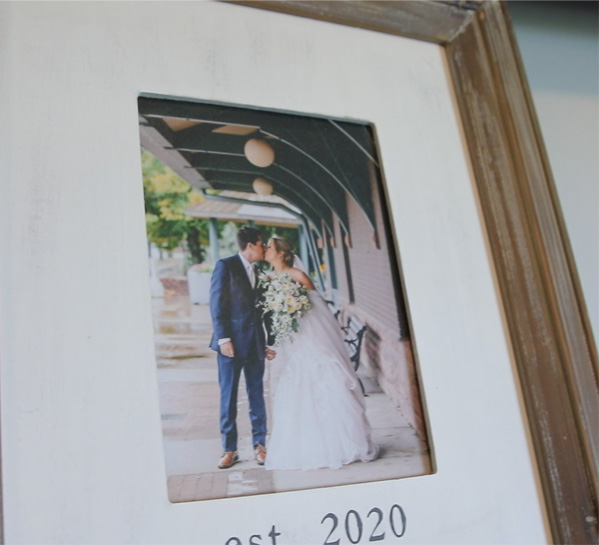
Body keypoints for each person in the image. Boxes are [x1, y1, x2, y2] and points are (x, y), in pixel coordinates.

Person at [262, 236, 379, 471]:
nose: (265, 249)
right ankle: (310, 446)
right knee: (299, 387)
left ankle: (343, 444)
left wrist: (295, 308)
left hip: (314, 340)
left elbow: (320, 311)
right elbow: (271, 317)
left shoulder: (298, 276)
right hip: (295, 344)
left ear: (282, 253)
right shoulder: (269, 279)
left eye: (270, 246)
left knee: (327, 382)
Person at [209, 226, 275, 469]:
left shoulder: (260, 272)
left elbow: (267, 311)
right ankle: (229, 449)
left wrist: (269, 342)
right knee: (228, 396)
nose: (264, 248)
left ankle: (260, 445)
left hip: (255, 344)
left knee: (257, 394)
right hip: (231, 345)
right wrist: (223, 339)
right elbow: (217, 305)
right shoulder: (225, 266)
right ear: (250, 246)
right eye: (261, 244)